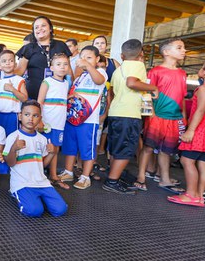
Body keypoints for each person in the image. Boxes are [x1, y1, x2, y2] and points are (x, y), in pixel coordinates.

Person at [169, 58, 205, 207]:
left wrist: (190, 130)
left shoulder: (204, 88)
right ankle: (199, 196)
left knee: (186, 161)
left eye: (202, 66)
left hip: (201, 130)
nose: (201, 69)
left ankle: (190, 194)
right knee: (203, 164)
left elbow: (200, 110)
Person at [103, 39, 158, 195]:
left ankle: (114, 176)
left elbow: (112, 92)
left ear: (122, 55)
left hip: (115, 112)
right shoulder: (138, 65)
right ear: (141, 54)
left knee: (115, 148)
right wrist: (153, 87)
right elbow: (132, 83)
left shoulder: (116, 70)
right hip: (128, 114)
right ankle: (112, 181)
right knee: (126, 149)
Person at [136, 39, 187, 193]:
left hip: (175, 118)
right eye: (179, 47)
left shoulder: (182, 73)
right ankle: (140, 177)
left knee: (167, 151)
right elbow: (146, 94)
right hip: (156, 116)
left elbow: (182, 97)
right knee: (148, 148)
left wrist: (183, 117)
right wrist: (148, 115)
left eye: (183, 48)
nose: (184, 50)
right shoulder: (155, 71)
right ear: (166, 52)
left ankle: (164, 179)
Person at [3, 100, 68, 218]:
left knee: (60, 209)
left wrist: (52, 153)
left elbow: (42, 165)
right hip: (22, 183)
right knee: (34, 211)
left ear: (40, 118)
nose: (31, 119)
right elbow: (10, 163)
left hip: (42, 182)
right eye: (27, 115)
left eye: (35, 115)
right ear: (20, 116)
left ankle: (37, 198)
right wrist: (14, 148)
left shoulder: (42, 139)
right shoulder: (13, 137)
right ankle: (17, 194)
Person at [59, 46, 107, 190]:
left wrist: (87, 65)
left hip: (89, 121)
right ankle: (68, 172)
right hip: (73, 119)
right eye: (83, 57)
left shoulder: (100, 72)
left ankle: (85, 177)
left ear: (97, 59)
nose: (85, 60)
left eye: (89, 57)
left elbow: (99, 81)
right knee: (70, 146)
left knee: (87, 149)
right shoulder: (80, 78)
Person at [15, 16, 72, 100]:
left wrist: (71, 90)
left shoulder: (61, 45)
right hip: (33, 96)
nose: (40, 29)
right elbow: (19, 71)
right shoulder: (28, 48)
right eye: (36, 27)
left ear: (50, 29)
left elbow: (68, 71)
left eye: (43, 26)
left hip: (57, 96)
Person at [37, 53, 71, 189]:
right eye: (58, 64)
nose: (62, 67)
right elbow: (39, 101)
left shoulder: (66, 83)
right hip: (47, 123)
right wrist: (39, 121)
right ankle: (39, 174)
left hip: (59, 123)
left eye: (65, 64)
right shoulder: (47, 82)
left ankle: (53, 175)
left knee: (55, 149)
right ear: (52, 67)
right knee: (45, 149)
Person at [0, 49, 28, 136]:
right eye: (4, 61)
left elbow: (25, 98)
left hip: (12, 116)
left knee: (12, 138)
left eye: (11, 60)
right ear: (0, 66)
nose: (7, 63)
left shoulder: (19, 80)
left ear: (15, 64)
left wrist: (12, 89)